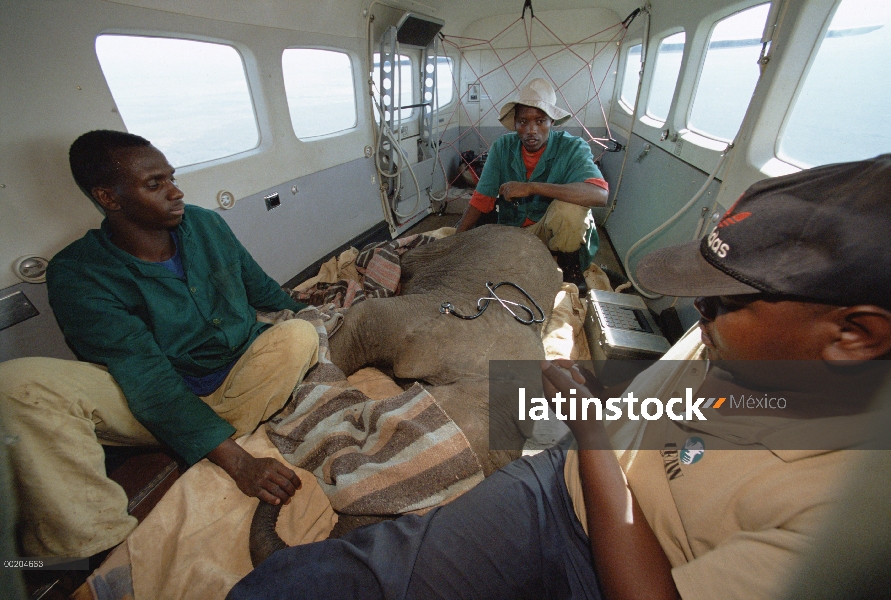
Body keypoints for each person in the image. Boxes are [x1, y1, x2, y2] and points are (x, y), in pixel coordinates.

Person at [228, 154, 891, 600]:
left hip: (620, 553)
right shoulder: (737, 341)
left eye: (725, 301)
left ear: (855, 335)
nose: (701, 314)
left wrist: (591, 434)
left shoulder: (849, 517)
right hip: (565, 480)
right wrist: (597, 410)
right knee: (351, 576)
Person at [0, 130, 319, 558]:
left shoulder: (206, 224)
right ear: (108, 198)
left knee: (299, 334)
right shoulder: (78, 272)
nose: (175, 191)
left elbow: (261, 289)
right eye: (155, 184)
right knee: (17, 382)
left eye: (171, 177)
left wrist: (310, 310)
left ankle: (200, 436)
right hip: (146, 401)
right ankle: (96, 549)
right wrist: (239, 462)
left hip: (235, 379)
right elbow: (145, 377)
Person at [454, 78, 610, 286]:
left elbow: (599, 194)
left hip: (550, 234)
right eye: (523, 122)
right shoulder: (502, 147)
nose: (531, 130)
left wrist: (532, 187)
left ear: (551, 122)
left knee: (570, 210)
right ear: (516, 124)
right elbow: (482, 198)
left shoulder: (572, 147)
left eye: (540, 121)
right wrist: (454, 240)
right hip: (513, 232)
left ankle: (570, 269)